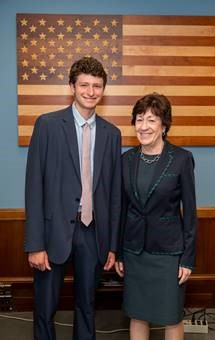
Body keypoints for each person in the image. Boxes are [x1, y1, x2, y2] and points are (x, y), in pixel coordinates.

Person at [24, 56, 122, 340]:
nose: (91, 92)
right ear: (72, 86)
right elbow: (34, 187)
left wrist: (113, 245)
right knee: (45, 308)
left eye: (97, 86)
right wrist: (35, 244)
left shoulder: (112, 134)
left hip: (93, 234)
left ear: (103, 90)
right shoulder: (47, 125)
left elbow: (114, 195)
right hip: (52, 232)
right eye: (84, 85)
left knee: (87, 307)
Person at [115, 93, 197, 340]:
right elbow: (122, 210)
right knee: (138, 314)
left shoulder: (181, 159)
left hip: (168, 253)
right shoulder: (126, 160)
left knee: (171, 316)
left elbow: (190, 213)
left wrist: (188, 259)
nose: (144, 126)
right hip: (134, 252)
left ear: (164, 124)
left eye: (151, 120)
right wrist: (119, 252)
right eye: (139, 119)